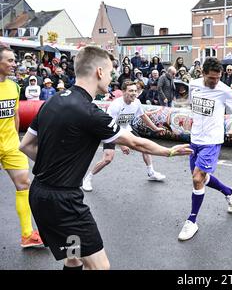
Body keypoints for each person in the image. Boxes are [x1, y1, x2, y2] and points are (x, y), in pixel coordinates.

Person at [19, 46, 192, 270]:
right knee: (100, 267)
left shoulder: (52, 101)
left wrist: (52, 165)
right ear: (99, 72)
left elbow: (26, 145)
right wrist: (169, 151)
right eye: (110, 72)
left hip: (40, 194)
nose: (111, 78)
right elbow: (134, 142)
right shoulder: (90, 112)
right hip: (64, 201)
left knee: (74, 257)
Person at [178, 57, 232, 241]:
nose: (215, 81)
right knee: (201, 179)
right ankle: (229, 192)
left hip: (212, 141)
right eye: (211, 78)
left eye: (218, 77)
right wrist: (191, 119)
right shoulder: (194, 84)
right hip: (195, 139)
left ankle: (192, 221)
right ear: (203, 74)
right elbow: (193, 105)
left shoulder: (224, 90)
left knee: (197, 179)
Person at [82, 80, 167, 191]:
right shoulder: (116, 105)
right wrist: (122, 144)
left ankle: (151, 172)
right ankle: (88, 178)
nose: (134, 93)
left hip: (126, 129)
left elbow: (143, 116)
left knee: (145, 147)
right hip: (109, 131)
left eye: (135, 91)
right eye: (131, 91)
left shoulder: (136, 102)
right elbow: (111, 125)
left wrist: (155, 129)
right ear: (123, 92)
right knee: (107, 159)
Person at [0, 45, 43, 248]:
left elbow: (15, 115)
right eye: (9, 60)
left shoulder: (14, 86)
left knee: (24, 184)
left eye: (14, 60)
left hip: (10, 144)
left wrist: (16, 139)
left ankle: (27, 234)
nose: (14, 64)